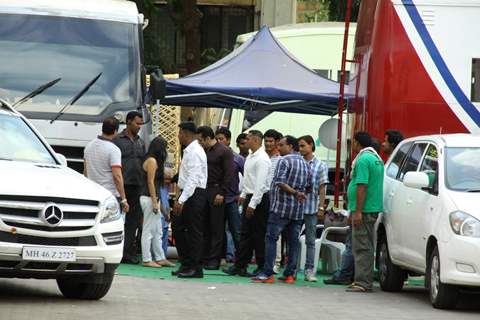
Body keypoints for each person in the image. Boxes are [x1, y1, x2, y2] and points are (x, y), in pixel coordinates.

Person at [253, 136, 309, 284]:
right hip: (297, 209)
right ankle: (290, 274)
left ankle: (267, 273)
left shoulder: (284, 160)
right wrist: (298, 193)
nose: (279, 147)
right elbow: (308, 185)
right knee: (293, 242)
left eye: (282, 145)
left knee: (271, 239)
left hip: (281, 207)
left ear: (290, 146)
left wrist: (294, 192)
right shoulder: (305, 162)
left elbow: (279, 181)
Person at [223, 130, 271, 277]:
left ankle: (262, 267)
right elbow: (248, 179)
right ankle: (240, 266)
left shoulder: (262, 159)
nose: (246, 140)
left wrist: (253, 203)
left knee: (258, 234)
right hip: (250, 196)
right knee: (245, 234)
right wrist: (243, 194)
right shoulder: (251, 156)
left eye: (249, 138)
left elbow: (260, 184)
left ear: (256, 140)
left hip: (259, 198)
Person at [346, 132, 384, 292]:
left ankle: (363, 282)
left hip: (365, 209)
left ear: (356, 143)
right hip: (370, 208)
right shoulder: (375, 158)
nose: (352, 146)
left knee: (362, 246)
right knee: (364, 244)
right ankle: (361, 280)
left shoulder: (363, 160)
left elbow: (362, 186)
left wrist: (358, 211)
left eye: (352, 142)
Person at [172, 122, 208, 278]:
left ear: (186, 133)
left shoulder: (195, 152)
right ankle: (186, 263)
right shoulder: (189, 150)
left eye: (180, 133)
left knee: (193, 232)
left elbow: (193, 178)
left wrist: (182, 199)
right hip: (187, 193)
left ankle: (195, 267)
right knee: (179, 228)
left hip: (194, 194)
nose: (178, 136)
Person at [196, 126, 234, 270]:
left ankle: (214, 259)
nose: (199, 143)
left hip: (217, 190)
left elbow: (229, 174)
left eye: (201, 140)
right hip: (204, 190)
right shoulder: (203, 151)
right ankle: (205, 257)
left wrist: (222, 192)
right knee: (204, 225)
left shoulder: (224, 151)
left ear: (207, 138)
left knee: (216, 227)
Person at [113, 111, 145, 264]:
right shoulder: (116, 140)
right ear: (128, 122)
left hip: (137, 186)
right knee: (117, 220)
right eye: (137, 123)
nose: (139, 127)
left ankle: (127, 252)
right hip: (121, 186)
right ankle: (116, 251)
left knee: (133, 221)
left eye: (140, 124)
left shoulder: (140, 141)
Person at [139, 136, 175, 268]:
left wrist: (159, 205)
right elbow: (150, 182)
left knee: (157, 230)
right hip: (149, 198)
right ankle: (147, 259)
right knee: (149, 230)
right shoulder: (152, 161)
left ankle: (160, 257)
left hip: (152, 198)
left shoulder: (151, 160)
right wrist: (155, 202)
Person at [298, 135, 328, 282]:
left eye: (303, 145)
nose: (300, 149)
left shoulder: (320, 165)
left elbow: (322, 189)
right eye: (299, 146)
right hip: (295, 208)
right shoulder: (297, 162)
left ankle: (309, 271)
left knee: (310, 240)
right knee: (292, 239)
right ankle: (291, 269)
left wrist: (321, 207)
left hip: (311, 208)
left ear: (311, 145)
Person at [84, 117, 129, 214]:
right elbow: (117, 176)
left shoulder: (89, 146)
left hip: (92, 194)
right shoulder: (113, 150)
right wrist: (124, 199)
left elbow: (85, 172)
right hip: (109, 196)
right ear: (115, 131)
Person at [215, 127, 244, 261]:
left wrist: (242, 193)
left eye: (221, 139)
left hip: (232, 199)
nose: (219, 141)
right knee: (217, 230)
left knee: (236, 230)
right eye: (217, 139)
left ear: (228, 141)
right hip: (216, 198)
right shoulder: (213, 155)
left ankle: (241, 259)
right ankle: (219, 257)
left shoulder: (238, 158)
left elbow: (247, 176)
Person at [263, 129, 283, 274]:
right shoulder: (261, 157)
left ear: (277, 143)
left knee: (275, 233)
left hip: (275, 198)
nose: (268, 144)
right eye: (266, 141)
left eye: (271, 141)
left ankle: (276, 262)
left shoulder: (281, 160)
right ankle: (264, 261)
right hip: (261, 197)